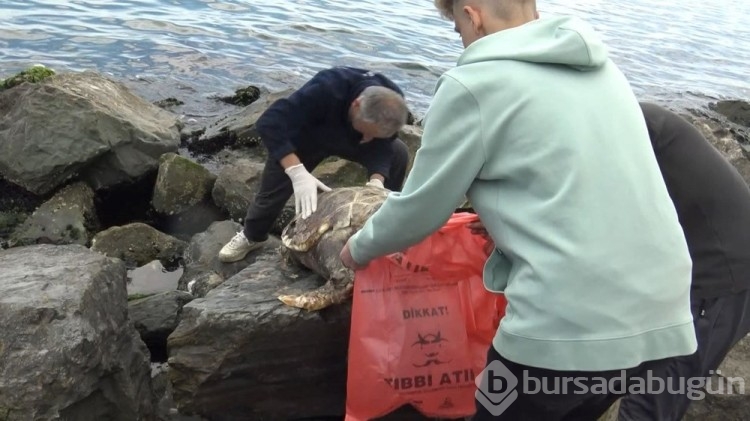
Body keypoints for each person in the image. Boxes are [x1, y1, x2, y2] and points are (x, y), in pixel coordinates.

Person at [339, 0, 698, 419]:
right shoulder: (602, 68)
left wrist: (357, 249)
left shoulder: (474, 84)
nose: (461, 38)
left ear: (471, 16)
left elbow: (420, 209)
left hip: (566, 325)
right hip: (662, 314)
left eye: (457, 29)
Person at [616, 102, 750, 420]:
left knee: (650, 403)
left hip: (722, 274)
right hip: (696, 266)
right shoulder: (624, 116)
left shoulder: (625, 127)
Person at [218, 66, 411, 263]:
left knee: (399, 153)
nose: (370, 138)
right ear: (356, 105)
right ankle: (252, 236)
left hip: (353, 139)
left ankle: (381, 226)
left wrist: (377, 180)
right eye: (369, 131)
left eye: (375, 134)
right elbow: (270, 122)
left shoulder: (393, 104)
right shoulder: (326, 88)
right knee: (272, 192)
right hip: (308, 137)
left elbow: (383, 144)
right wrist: (296, 171)